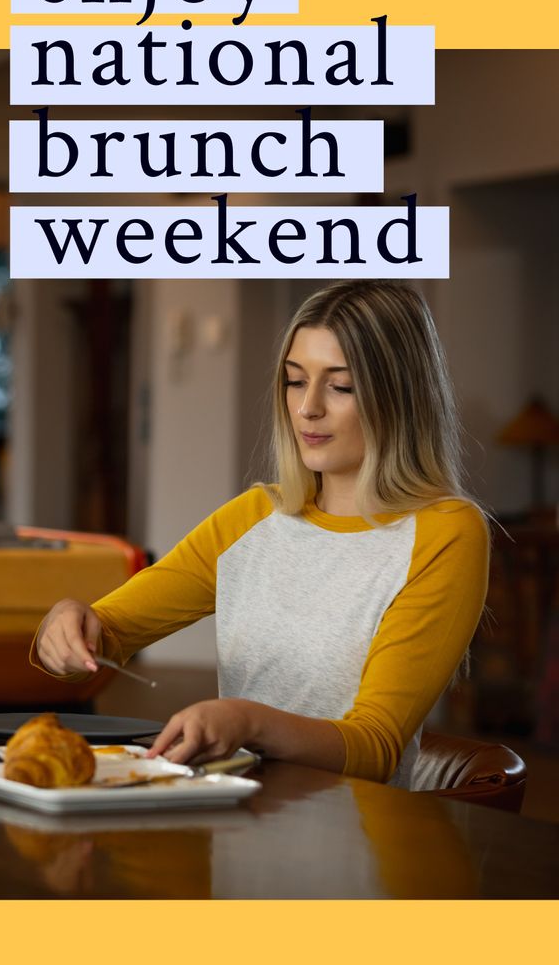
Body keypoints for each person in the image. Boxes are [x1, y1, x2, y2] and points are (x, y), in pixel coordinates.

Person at [35, 280, 488, 788]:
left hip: (358, 845)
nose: (307, 408)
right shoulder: (253, 517)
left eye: (341, 386)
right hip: (239, 832)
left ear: (400, 396)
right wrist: (67, 622)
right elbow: (106, 636)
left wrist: (248, 721)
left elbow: (375, 747)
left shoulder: (445, 531)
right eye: (296, 381)